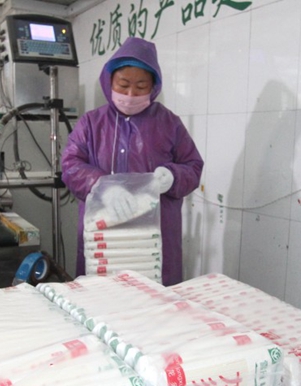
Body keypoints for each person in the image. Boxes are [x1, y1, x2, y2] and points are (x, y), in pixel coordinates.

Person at [61, 37, 204, 286]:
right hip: (103, 231)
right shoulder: (91, 123)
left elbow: (192, 166)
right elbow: (71, 164)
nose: (130, 94)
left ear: (153, 86)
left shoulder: (169, 123)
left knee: (153, 296)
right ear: (110, 81)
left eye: (140, 86)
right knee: (101, 293)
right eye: (123, 84)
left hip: (153, 236)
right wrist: (103, 187)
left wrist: (172, 177)